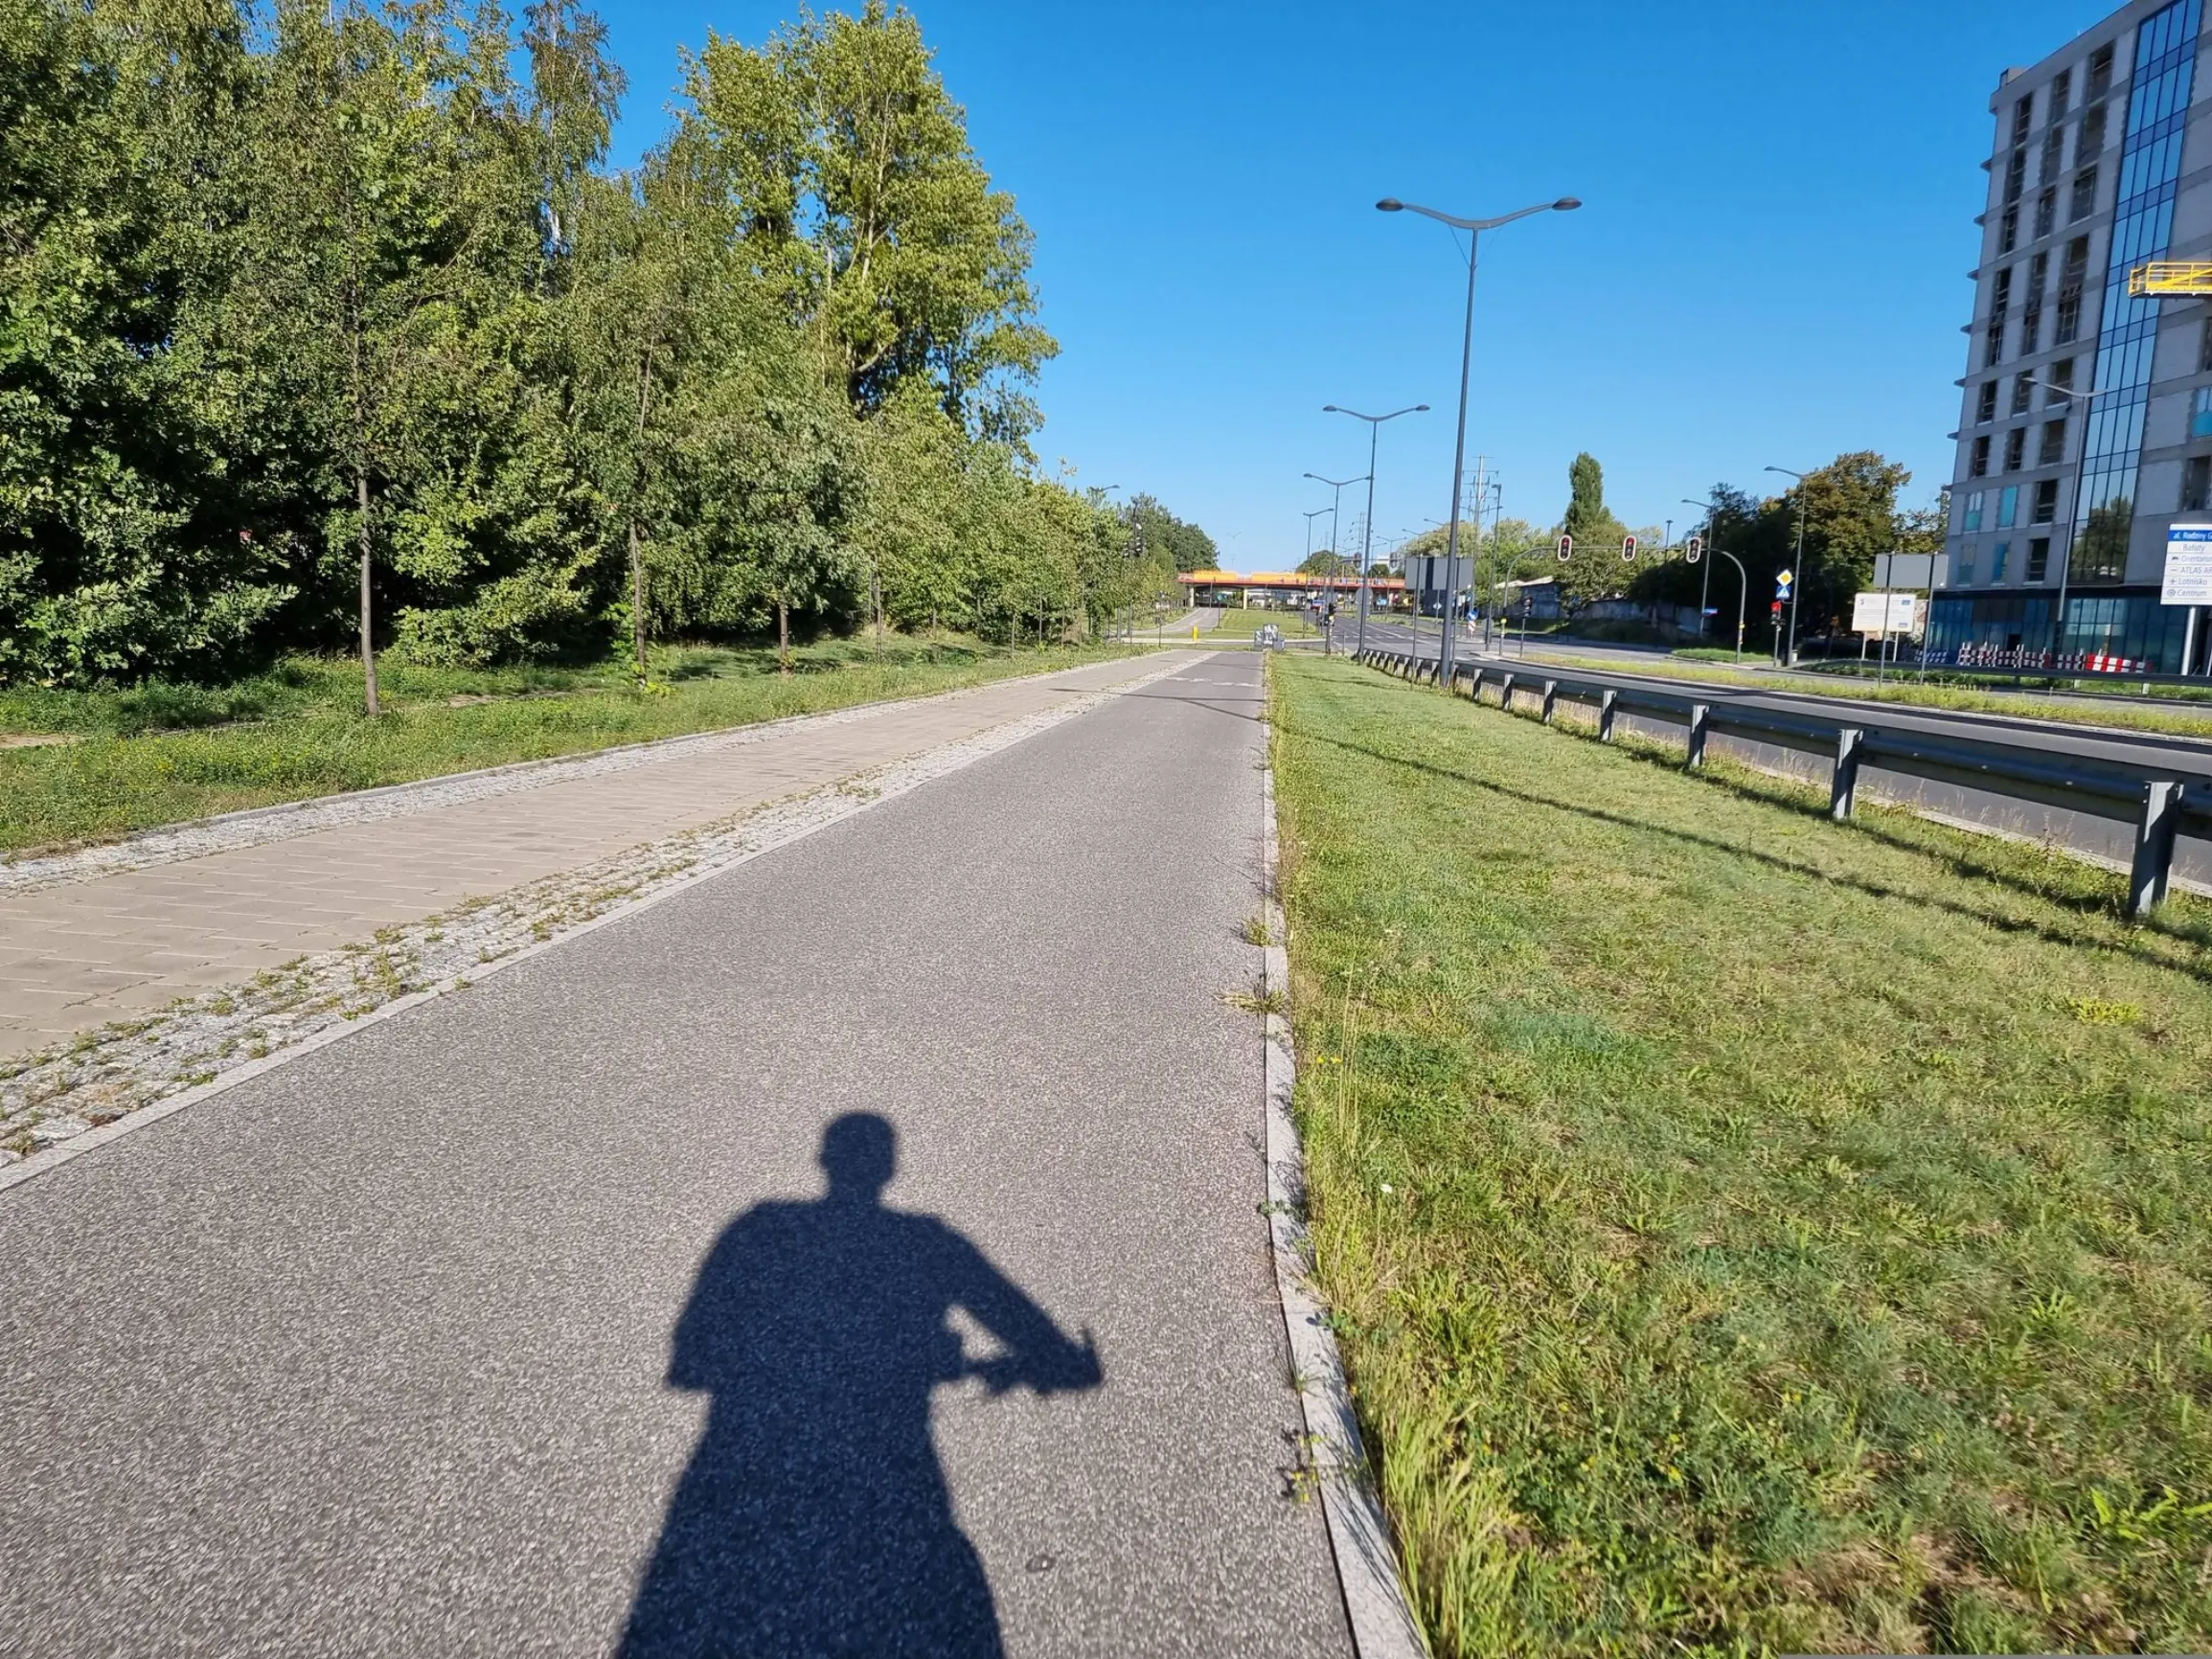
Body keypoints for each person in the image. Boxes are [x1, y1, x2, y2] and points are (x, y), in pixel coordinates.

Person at [620, 1114, 1101, 1658]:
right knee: (925, 1589)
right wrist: (1058, 1360)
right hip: (891, 1452)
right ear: (890, 1168)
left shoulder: (759, 1228)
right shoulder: (927, 1243)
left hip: (748, 1454)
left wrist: (786, 1355)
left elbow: (692, 1358)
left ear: (823, 1161)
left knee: (708, 1598)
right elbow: (1014, 1317)